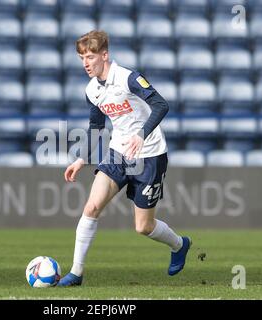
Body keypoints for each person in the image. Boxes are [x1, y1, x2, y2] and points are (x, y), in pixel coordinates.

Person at [57, 30, 191, 287]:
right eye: (82, 57)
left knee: (143, 227)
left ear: (104, 55)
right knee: (91, 207)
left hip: (149, 155)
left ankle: (179, 244)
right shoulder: (92, 90)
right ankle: (76, 273)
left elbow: (162, 105)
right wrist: (80, 159)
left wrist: (141, 135)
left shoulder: (128, 78)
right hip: (118, 153)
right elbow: (96, 128)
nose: (85, 63)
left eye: (90, 56)